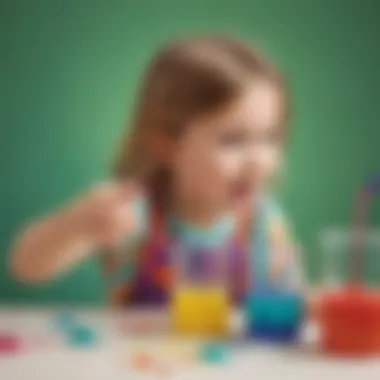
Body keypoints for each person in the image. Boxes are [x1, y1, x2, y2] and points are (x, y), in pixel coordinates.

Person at [10, 35, 304, 308]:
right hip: (137, 362)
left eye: (270, 138)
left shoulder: (265, 225)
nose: (258, 161)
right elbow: (25, 266)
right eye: (233, 141)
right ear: (167, 145)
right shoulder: (135, 215)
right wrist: (77, 223)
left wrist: (313, 303)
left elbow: (295, 306)